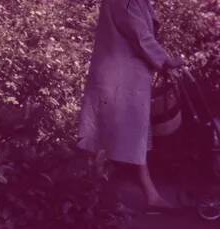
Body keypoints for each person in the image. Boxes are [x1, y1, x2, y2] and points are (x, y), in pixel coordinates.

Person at [78, 0, 184, 210]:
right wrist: (165, 61)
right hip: (120, 77)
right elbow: (140, 35)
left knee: (129, 135)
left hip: (125, 76)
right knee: (110, 134)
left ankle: (137, 192)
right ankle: (92, 192)